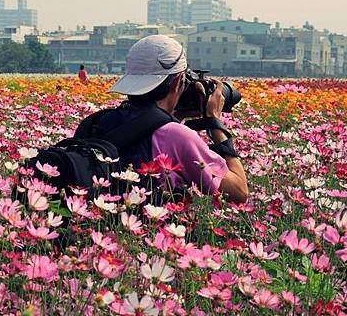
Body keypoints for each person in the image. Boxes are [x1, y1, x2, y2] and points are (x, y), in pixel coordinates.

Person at [98, 35, 248, 203]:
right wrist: (214, 121)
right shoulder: (176, 135)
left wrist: (177, 117)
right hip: (152, 227)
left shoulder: (97, 121)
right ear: (178, 82)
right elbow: (239, 192)